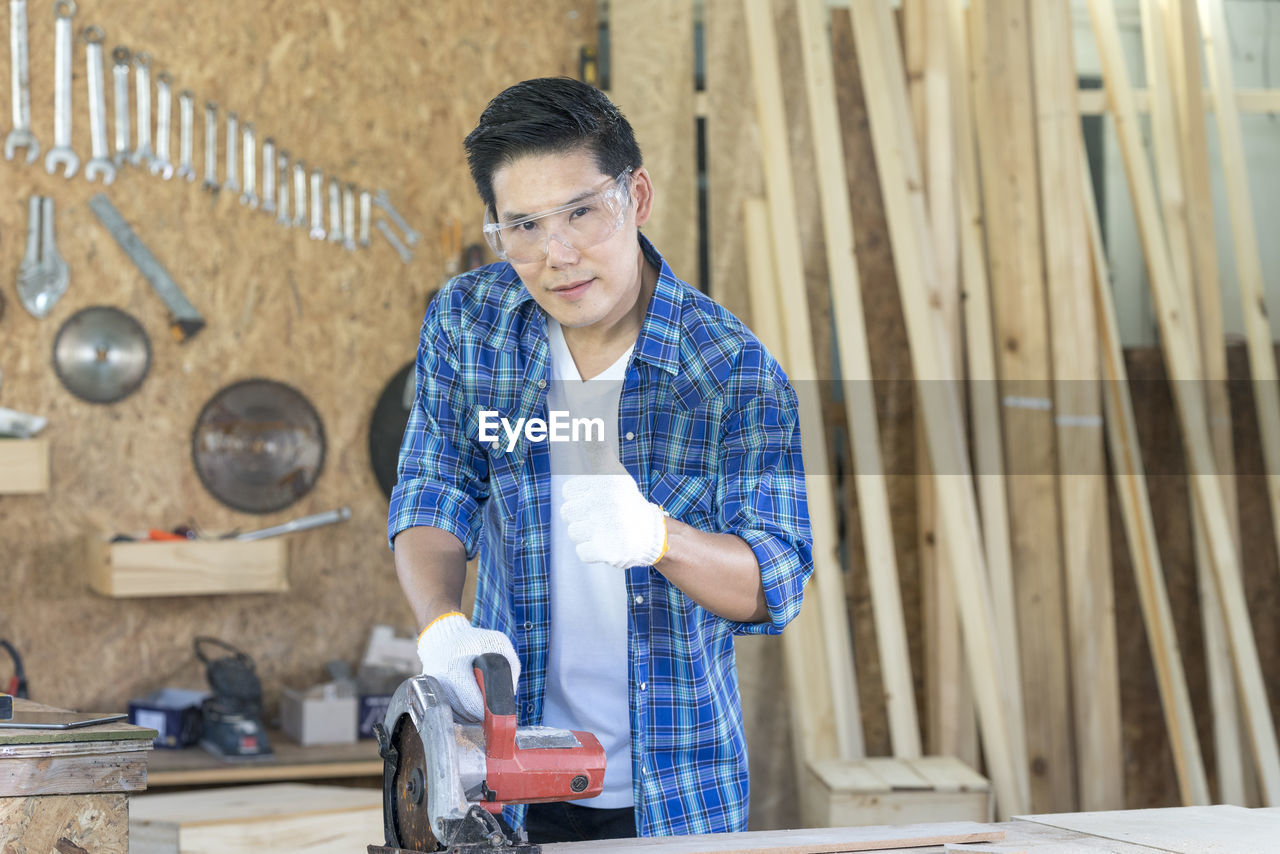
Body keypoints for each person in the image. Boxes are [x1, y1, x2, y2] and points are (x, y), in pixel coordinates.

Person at [388, 76, 812, 842]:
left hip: (677, 793)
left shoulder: (730, 372)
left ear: (636, 196)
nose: (559, 256)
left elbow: (776, 577)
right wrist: (444, 626)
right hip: (500, 781)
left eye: (582, 211)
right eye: (523, 226)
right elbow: (433, 487)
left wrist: (660, 539)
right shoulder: (469, 325)